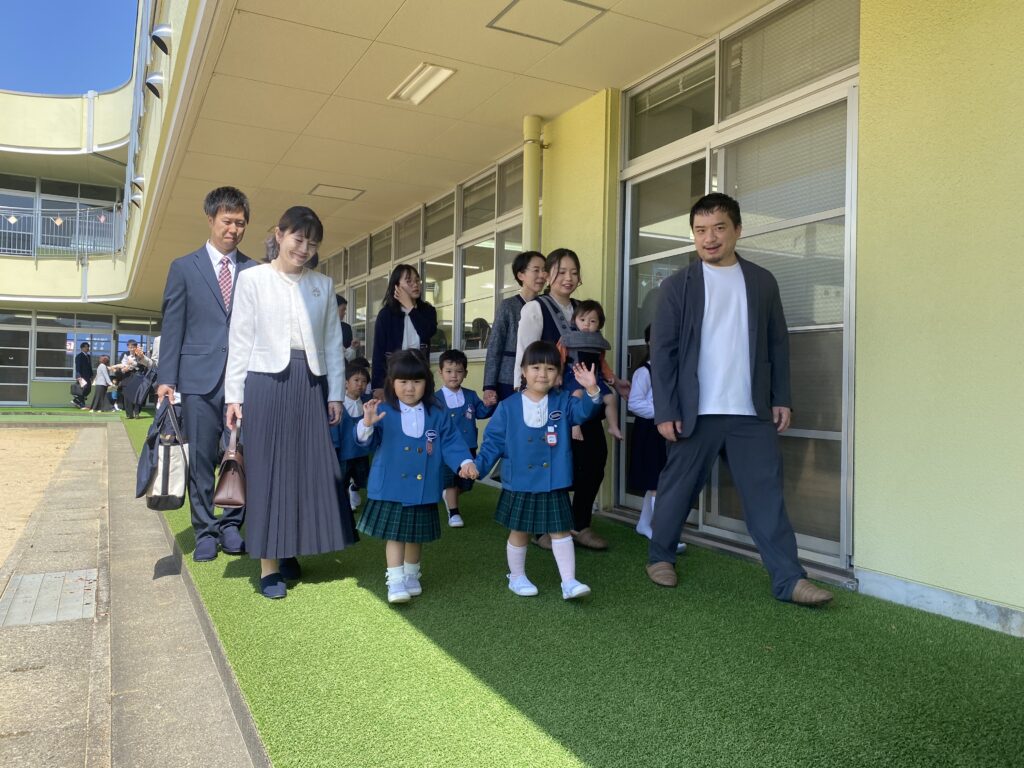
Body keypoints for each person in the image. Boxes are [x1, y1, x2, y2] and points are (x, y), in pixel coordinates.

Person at [646, 192, 832, 606]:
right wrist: (666, 410)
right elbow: (663, 352)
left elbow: (777, 342)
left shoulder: (762, 281)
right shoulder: (676, 286)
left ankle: (789, 579)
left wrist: (781, 397)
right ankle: (660, 556)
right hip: (695, 411)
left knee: (766, 496)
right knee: (678, 489)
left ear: (737, 230)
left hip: (751, 411)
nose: (709, 238)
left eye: (718, 228)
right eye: (700, 230)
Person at [225, 205, 357, 599]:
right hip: (264, 382)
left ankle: (290, 550)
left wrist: (335, 393)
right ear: (279, 234)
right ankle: (269, 565)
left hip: (309, 382)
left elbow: (333, 343)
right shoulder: (252, 279)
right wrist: (234, 395)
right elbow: (240, 339)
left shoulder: (322, 284)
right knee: (267, 470)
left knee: (303, 469)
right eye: (298, 239)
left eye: (312, 244)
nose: (304, 249)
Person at [156, 186, 255, 562]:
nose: (234, 229)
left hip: (242, 381)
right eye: (227, 221)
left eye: (240, 223)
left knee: (236, 454)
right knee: (199, 457)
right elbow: (173, 325)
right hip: (198, 380)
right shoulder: (184, 268)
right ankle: (205, 530)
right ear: (211, 219)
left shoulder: (255, 271)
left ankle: (231, 525)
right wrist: (167, 379)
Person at [474, 341, 602, 600]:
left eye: (550, 368)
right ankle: (516, 577)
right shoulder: (508, 406)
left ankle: (569, 582)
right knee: (519, 531)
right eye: (535, 367)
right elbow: (493, 442)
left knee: (560, 531)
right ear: (523, 371)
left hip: (553, 480)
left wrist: (591, 389)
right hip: (520, 480)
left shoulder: (564, 401)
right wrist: (477, 468)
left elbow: (583, 413)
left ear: (558, 374)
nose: (543, 374)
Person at [514, 248, 623, 551]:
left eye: (574, 272)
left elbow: (596, 355)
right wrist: (525, 399)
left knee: (594, 460)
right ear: (547, 275)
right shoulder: (535, 308)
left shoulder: (583, 310)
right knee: (549, 464)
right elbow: (524, 356)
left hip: (584, 401)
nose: (568, 278)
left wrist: (614, 381)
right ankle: (542, 528)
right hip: (548, 402)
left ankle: (579, 524)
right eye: (561, 271)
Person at [355, 350, 477, 604]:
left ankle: (411, 575)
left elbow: (451, 441)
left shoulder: (437, 412)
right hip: (391, 486)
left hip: (423, 487)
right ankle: (395, 580)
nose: (410, 388)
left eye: (416, 382)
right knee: (396, 535)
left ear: (427, 383)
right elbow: (364, 442)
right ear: (392, 383)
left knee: (415, 535)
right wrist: (366, 423)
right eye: (403, 382)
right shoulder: (382, 410)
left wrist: (465, 462)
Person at [627, 325, 685, 554]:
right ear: (649, 342)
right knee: (657, 484)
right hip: (650, 432)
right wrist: (663, 413)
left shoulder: (676, 369)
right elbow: (634, 403)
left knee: (659, 481)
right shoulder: (644, 372)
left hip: (670, 430)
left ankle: (644, 524)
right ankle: (662, 535)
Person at [434, 348, 495, 528]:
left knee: (467, 482)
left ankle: (448, 495)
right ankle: (454, 512)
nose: (454, 375)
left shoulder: (470, 395)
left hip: (469, 446)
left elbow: (481, 413)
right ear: (440, 373)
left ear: (465, 373)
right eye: (449, 371)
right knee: (451, 480)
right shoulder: (435, 399)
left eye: (459, 371)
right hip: (446, 449)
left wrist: (489, 404)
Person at [482, 251, 547, 406]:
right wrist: (489, 386)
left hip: (540, 377)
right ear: (521, 275)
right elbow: (495, 347)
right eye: (536, 270)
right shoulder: (508, 306)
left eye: (544, 270)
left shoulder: (546, 306)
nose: (542, 275)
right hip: (508, 379)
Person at [558, 299, 623, 442]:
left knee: (611, 398)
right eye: (582, 320)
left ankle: (613, 426)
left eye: (592, 321)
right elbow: (559, 358)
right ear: (574, 320)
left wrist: (609, 376)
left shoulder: (598, 342)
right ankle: (575, 425)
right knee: (577, 394)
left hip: (595, 378)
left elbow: (602, 363)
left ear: (600, 323)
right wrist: (558, 375)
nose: (587, 324)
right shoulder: (569, 339)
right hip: (574, 375)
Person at [370, 264, 437, 398]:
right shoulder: (386, 314)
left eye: (417, 280)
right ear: (396, 286)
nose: (415, 284)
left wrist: (410, 308)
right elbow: (378, 352)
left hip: (420, 376)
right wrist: (377, 386)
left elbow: (427, 332)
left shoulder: (428, 311)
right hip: (393, 378)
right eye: (409, 281)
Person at [331, 365, 371, 511]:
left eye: (364, 381)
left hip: (361, 453)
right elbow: (334, 428)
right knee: (341, 481)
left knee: (363, 479)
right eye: (356, 380)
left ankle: (353, 489)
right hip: (344, 454)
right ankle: (343, 507)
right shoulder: (338, 405)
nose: (360, 384)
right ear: (346, 383)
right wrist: (335, 447)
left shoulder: (367, 403)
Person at [336, 294, 361, 362]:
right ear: (334, 309)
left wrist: (353, 347)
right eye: (343, 310)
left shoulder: (346, 328)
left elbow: (348, 355)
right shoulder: (322, 328)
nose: (345, 313)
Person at [74, 342, 93, 409]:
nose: (87, 348)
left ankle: (77, 400)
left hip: (87, 376)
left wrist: (91, 375)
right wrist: (78, 376)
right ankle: (81, 404)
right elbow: (78, 367)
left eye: (88, 347)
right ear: (82, 348)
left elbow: (89, 366)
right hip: (81, 376)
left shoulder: (88, 356)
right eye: (86, 347)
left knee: (88, 389)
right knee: (83, 389)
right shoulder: (79, 356)